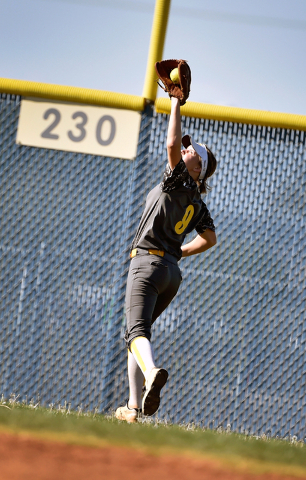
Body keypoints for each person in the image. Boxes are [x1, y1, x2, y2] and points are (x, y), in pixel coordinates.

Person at [115, 96, 217, 423]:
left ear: (197, 168)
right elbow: (210, 238)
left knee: (135, 333)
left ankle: (152, 373)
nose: (185, 150)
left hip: (147, 264)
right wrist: (182, 253)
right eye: (188, 148)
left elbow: (171, 141)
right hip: (170, 273)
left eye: (192, 152)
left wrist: (175, 103)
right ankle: (133, 407)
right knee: (138, 334)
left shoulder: (180, 180)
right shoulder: (198, 202)